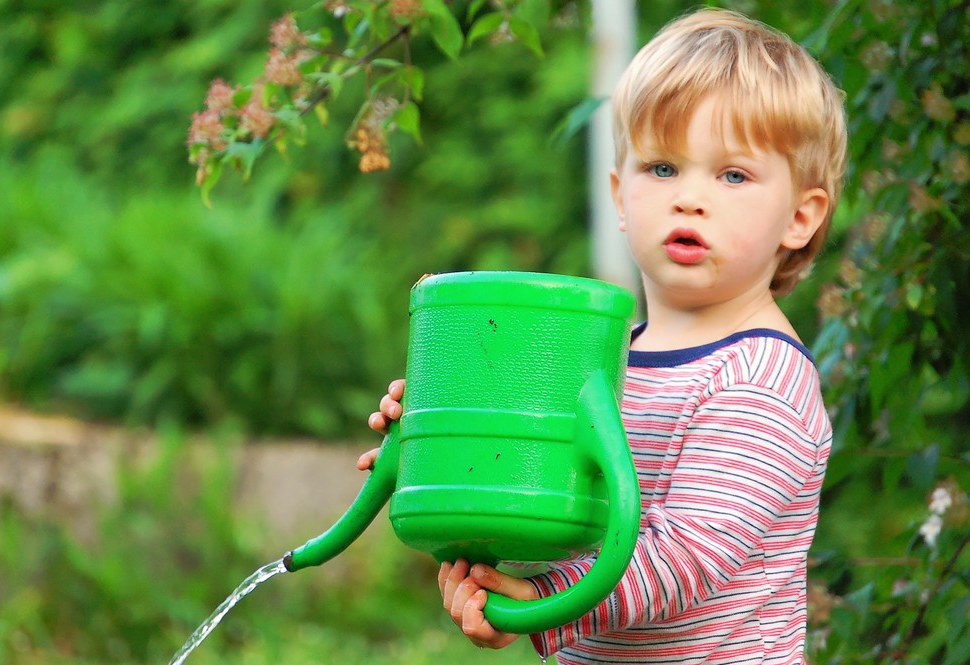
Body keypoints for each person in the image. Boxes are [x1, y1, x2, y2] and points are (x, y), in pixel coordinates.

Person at [361, 7, 847, 663]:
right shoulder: (604, 365)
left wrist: (543, 600)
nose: (689, 198)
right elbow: (548, 499)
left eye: (732, 175)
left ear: (801, 216)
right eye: (663, 168)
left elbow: (687, 554)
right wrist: (443, 451)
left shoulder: (760, 380)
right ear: (620, 196)